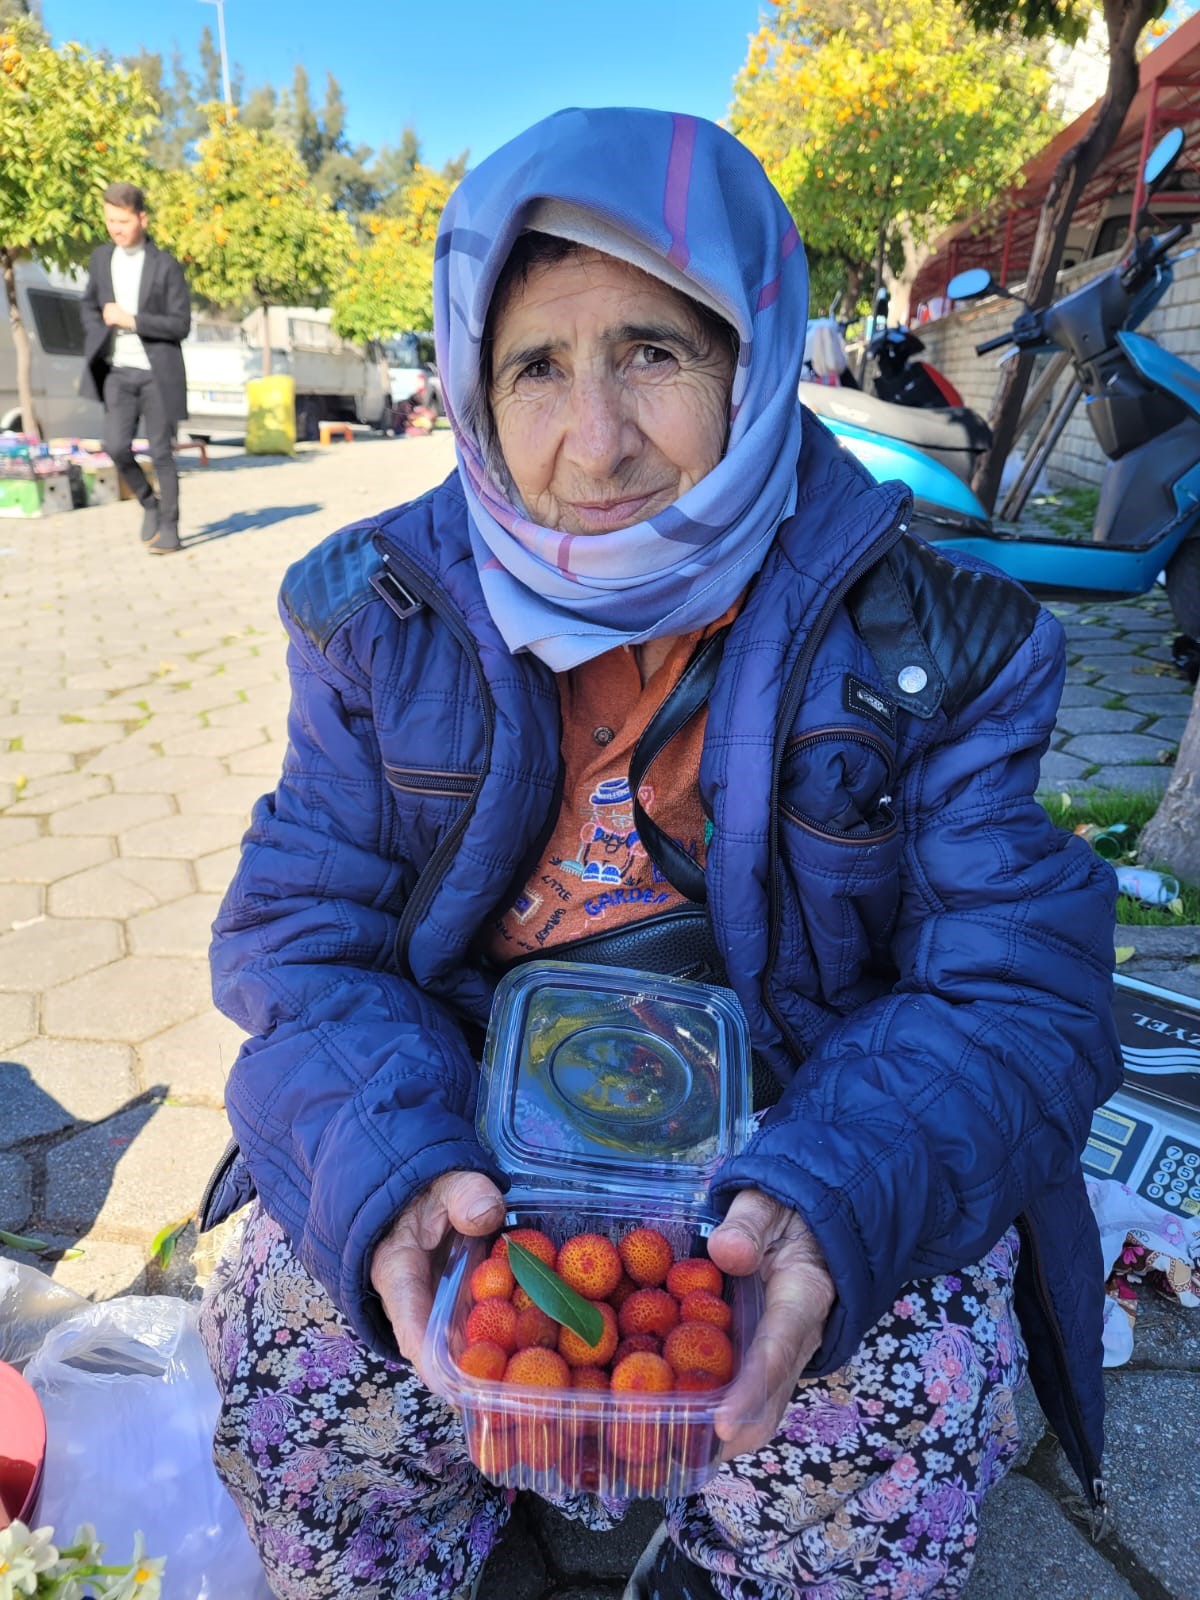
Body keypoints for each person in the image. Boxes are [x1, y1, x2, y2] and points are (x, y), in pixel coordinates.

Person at [197, 107, 1121, 1600]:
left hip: (798, 1122)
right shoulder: (378, 616)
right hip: (471, 1118)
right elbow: (304, 944)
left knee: (893, 1395)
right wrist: (398, 1171)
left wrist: (830, 1194)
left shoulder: (943, 639)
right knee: (290, 1346)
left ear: (753, 359)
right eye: (536, 369)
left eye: (654, 352)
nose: (598, 437)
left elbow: (1017, 992)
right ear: (473, 391)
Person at [80, 181, 191, 555]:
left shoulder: (165, 265)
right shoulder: (100, 259)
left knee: (161, 452)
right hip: (117, 371)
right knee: (115, 446)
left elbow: (181, 325)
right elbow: (90, 307)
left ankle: (171, 529)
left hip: (157, 373)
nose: (116, 228)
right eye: (110, 220)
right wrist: (99, 332)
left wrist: (133, 321)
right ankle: (149, 503)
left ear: (141, 219)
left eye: (123, 220)